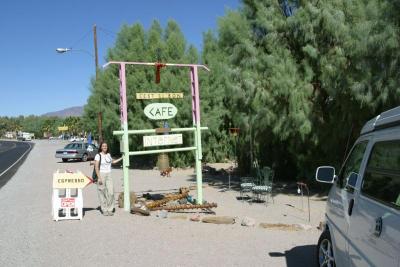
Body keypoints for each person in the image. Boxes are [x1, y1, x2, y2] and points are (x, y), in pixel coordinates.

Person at [94, 142, 122, 216]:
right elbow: (96, 167)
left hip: (109, 174)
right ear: (101, 147)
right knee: (102, 192)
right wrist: (99, 178)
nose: (104, 147)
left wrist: (122, 158)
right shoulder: (98, 155)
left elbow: (113, 162)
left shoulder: (108, 155)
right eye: (103, 146)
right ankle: (104, 209)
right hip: (101, 174)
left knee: (111, 192)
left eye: (106, 146)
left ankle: (110, 209)